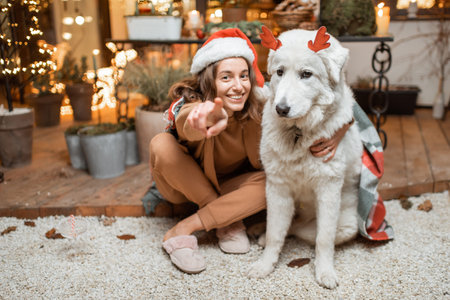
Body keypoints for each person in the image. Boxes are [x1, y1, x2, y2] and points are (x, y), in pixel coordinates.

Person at [148, 28, 352, 274]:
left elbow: (340, 97)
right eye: (226, 77)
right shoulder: (194, 104)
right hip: (184, 189)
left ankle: (187, 226)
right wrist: (203, 117)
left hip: (232, 187)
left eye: (244, 76)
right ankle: (225, 221)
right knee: (160, 144)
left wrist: (341, 129)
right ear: (208, 80)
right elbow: (186, 120)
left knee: (272, 181)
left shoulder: (262, 103)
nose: (238, 86)